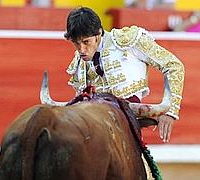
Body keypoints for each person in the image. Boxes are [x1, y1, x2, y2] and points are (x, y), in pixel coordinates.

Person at [64, 7, 185, 143]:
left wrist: (171, 111)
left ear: (98, 34)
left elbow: (173, 66)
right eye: (76, 43)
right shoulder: (78, 62)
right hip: (94, 123)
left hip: (127, 117)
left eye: (86, 42)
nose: (81, 50)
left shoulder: (128, 41)